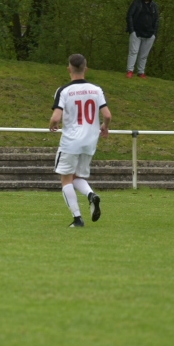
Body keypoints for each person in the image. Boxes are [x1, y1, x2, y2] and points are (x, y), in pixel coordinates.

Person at [49, 53, 111, 227]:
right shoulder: (96, 90)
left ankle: (77, 219)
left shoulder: (64, 90)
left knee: (66, 179)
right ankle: (91, 195)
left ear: (69, 69)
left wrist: (52, 124)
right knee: (76, 176)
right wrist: (105, 126)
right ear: (86, 69)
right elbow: (107, 115)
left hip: (71, 141)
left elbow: (56, 117)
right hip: (90, 141)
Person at [126, 0, 159, 79]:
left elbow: (157, 20)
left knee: (144, 55)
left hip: (149, 34)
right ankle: (130, 71)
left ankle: (141, 72)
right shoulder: (136, 3)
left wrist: (154, 34)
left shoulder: (154, 6)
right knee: (133, 52)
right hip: (136, 32)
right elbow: (129, 16)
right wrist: (132, 30)